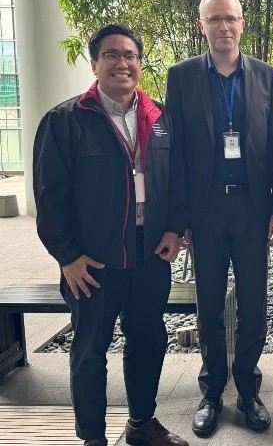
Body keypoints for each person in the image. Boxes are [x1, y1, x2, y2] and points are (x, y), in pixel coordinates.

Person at [33, 24, 188, 446]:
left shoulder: (160, 117)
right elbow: (50, 197)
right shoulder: (66, 120)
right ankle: (93, 438)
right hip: (93, 261)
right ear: (95, 62)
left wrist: (175, 228)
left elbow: (177, 181)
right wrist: (67, 256)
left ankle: (141, 424)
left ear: (140, 62)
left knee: (148, 340)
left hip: (149, 255)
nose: (123, 63)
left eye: (130, 55)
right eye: (112, 55)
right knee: (89, 353)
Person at [165, 0, 273, 436]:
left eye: (230, 18)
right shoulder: (182, 77)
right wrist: (181, 218)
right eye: (214, 20)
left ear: (242, 23)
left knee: (254, 304)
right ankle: (212, 392)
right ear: (202, 26)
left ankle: (249, 391)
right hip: (206, 209)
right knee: (209, 304)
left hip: (252, 209)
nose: (223, 27)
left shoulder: (266, 77)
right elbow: (174, 154)